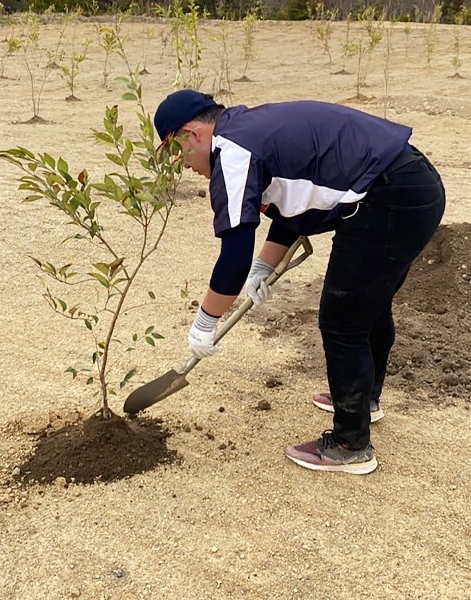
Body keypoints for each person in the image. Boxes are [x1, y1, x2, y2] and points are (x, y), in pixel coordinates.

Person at [154, 90, 446, 475]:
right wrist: (264, 267)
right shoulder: (247, 129)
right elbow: (290, 209)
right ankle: (363, 402)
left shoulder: (232, 151)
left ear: (192, 133)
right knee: (367, 307)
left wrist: (206, 320)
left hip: (389, 197)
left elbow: (234, 255)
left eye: (174, 151)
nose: (180, 163)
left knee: (344, 320)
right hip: (410, 184)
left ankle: (350, 445)